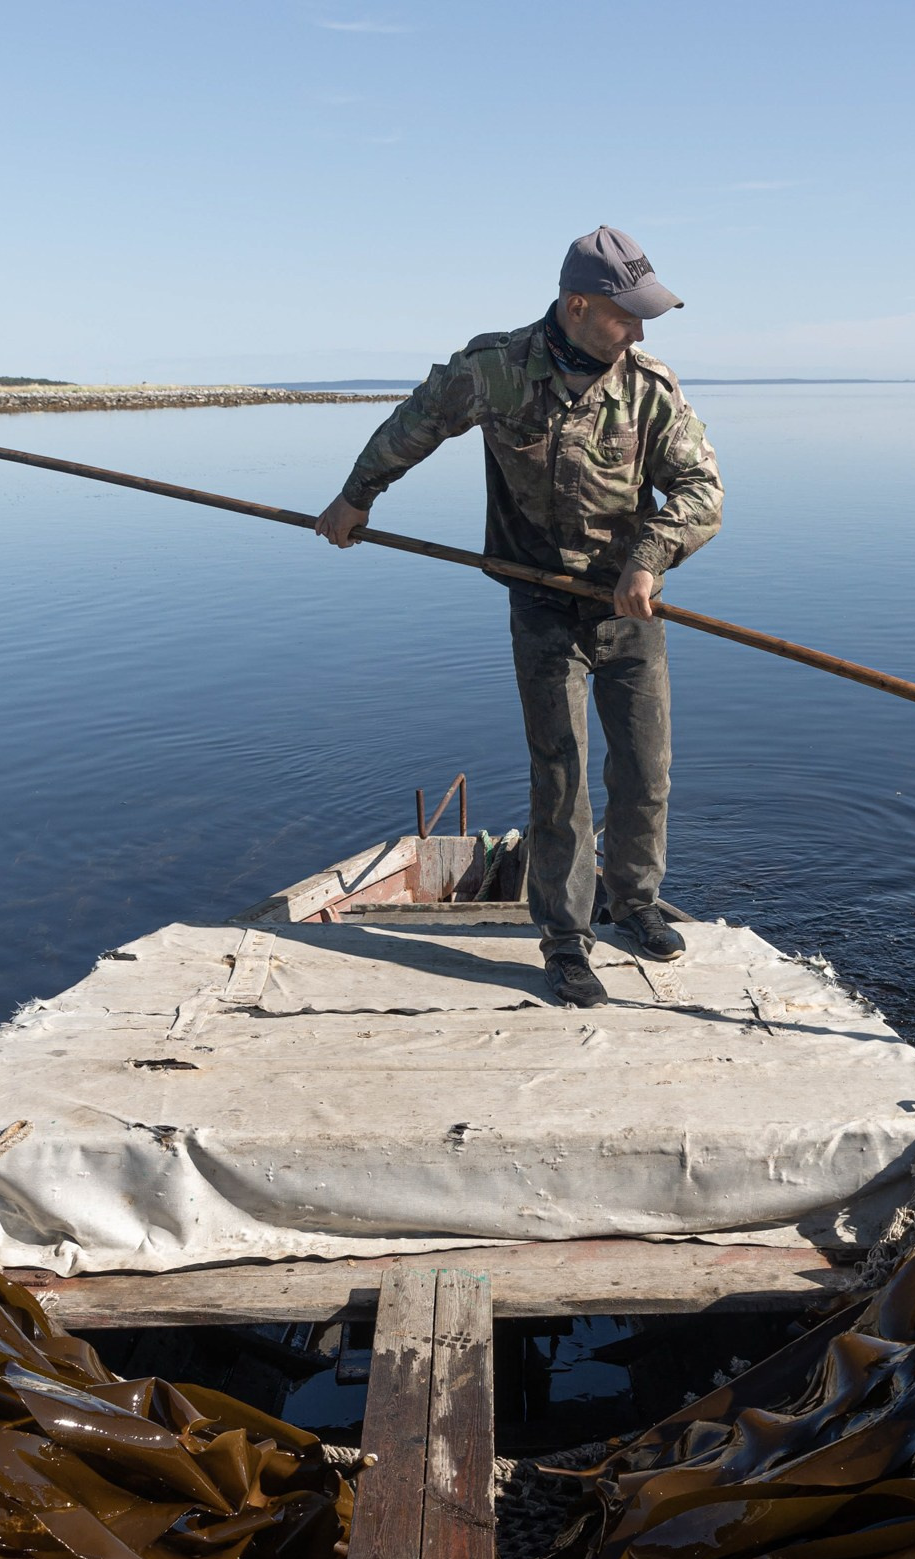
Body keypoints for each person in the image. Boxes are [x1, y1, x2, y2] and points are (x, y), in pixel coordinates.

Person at [314, 228, 723, 1008]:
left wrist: (652, 556)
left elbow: (703, 490)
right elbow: (419, 420)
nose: (638, 331)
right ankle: (566, 942)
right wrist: (358, 496)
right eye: (625, 316)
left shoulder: (650, 387)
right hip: (539, 606)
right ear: (577, 305)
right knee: (560, 775)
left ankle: (634, 903)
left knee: (645, 769)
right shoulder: (496, 370)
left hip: (629, 607)